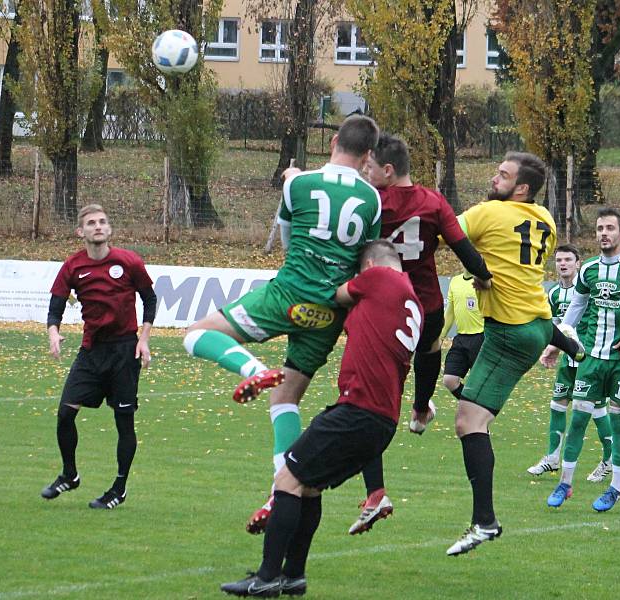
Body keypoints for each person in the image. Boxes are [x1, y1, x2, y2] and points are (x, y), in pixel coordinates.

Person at [182, 115, 382, 533]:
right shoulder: (372, 199)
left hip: (287, 295)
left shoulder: (298, 183)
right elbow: (365, 254)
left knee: (196, 333)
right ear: (367, 157)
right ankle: (280, 488)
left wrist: (296, 180)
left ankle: (252, 369)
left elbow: (289, 244)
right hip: (329, 311)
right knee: (286, 400)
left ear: (332, 143)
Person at [220, 240, 423, 597]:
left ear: (371, 264)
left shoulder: (377, 278)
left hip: (357, 411)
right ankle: (293, 575)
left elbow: (336, 294)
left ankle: (267, 577)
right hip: (381, 420)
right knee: (309, 488)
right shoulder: (412, 300)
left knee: (287, 480)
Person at [346, 134, 492, 535]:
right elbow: (463, 248)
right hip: (424, 303)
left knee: (367, 397)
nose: (366, 173)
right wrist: (484, 277)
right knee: (430, 347)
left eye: (370, 168)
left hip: (380, 306)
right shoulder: (433, 201)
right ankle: (421, 408)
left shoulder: (370, 202)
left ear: (388, 171)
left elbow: (350, 247)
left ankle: (376, 491)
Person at [447, 151, 569, 556]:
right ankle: (569, 343)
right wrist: (487, 274)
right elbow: (515, 268)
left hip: (509, 333)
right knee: (473, 419)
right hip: (538, 322)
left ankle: (485, 521)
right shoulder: (547, 220)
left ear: (521, 188)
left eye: (503, 175)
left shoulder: (488, 213)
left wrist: (480, 273)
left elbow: (445, 232)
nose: (494, 178)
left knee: (469, 422)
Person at [545, 208, 620, 512]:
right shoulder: (589, 271)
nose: (604, 233)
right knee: (578, 421)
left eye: (610, 228)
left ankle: (615, 489)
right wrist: (558, 340)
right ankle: (565, 483)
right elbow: (576, 308)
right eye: (600, 228)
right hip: (591, 358)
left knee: (619, 423)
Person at [41, 204, 156, 509]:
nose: (98, 226)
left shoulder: (128, 261)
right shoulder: (72, 266)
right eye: (91, 223)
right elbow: (55, 305)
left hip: (124, 352)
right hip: (91, 352)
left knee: (124, 422)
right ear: (81, 231)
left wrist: (143, 339)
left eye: (103, 222)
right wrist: (54, 332)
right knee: (65, 413)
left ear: (109, 229)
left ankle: (118, 488)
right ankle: (70, 474)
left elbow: (150, 299)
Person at [527, 245, 614, 481]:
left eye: (568, 259)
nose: (563, 264)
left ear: (578, 264)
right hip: (568, 361)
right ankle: (552, 458)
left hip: (589, 360)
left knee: (596, 409)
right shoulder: (554, 294)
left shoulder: (587, 290)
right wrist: (549, 347)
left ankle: (609, 460)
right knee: (557, 405)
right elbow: (554, 325)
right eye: (559, 260)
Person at [441, 270, 485, 401]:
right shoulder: (455, 281)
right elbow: (450, 312)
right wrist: (440, 336)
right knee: (449, 379)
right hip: (461, 339)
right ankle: (471, 406)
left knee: (479, 384)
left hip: (482, 337)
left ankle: (478, 415)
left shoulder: (483, 282)